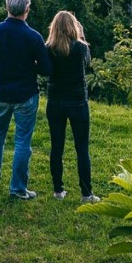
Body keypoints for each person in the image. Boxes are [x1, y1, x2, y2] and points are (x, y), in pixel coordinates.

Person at [0, 0, 52, 199]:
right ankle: (18, 188)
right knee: (22, 142)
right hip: (26, 95)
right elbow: (47, 69)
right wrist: (31, 66)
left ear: (7, 8)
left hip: (1, 93)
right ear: (26, 10)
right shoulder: (34, 37)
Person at [46, 11, 100, 203]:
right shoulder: (81, 48)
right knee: (82, 148)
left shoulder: (49, 48)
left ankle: (58, 190)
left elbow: (45, 71)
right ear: (73, 26)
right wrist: (82, 36)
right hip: (77, 101)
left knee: (56, 147)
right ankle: (86, 193)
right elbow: (88, 63)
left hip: (55, 100)